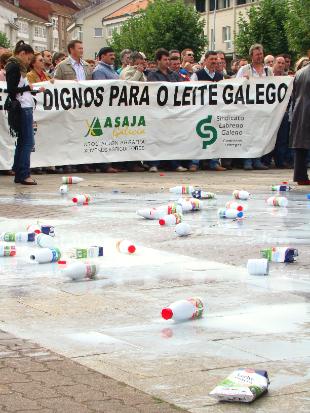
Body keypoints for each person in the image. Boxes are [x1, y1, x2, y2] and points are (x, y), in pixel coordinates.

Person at [5, 40, 44, 185]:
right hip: (22, 108)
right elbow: (12, 90)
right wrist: (28, 88)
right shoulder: (14, 66)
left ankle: (19, 171)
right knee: (27, 141)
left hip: (24, 106)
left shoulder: (17, 66)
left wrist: (31, 90)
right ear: (22, 54)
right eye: (28, 58)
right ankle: (23, 174)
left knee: (24, 141)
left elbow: (17, 89)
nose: (29, 62)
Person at [54, 40, 92, 173]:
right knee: (68, 135)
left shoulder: (87, 66)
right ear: (71, 49)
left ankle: (81, 162)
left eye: (82, 48)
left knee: (82, 134)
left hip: (84, 105)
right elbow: (55, 83)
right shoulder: (62, 66)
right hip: (69, 105)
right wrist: (69, 83)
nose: (82, 50)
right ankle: (67, 163)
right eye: (79, 48)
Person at [147, 48, 187, 173]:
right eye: (165, 59)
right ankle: (154, 163)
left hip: (172, 111)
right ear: (158, 61)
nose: (168, 62)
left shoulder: (174, 75)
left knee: (173, 137)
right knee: (157, 138)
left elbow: (181, 89)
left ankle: (175, 163)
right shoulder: (152, 74)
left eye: (169, 59)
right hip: (158, 111)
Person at [237, 43, 272, 170]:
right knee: (248, 134)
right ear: (251, 55)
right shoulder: (244, 69)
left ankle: (257, 159)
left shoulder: (268, 70)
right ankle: (247, 160)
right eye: (257, 54)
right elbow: (235, 86)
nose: (259, 57)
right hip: (248, 107)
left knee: (260, 135)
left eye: (261, 54)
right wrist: (243, 80)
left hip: (263, 108)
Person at [191, 51, 226, 172]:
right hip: (200, 110)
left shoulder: (220, 76)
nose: (214, 62)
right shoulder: (197, 75)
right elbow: (191, 92)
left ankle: (214, 162)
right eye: (211, 59)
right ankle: (194, 162)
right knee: (197, 136)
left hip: (214, 110)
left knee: (215, 136)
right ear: (205, 60)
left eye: (216, 60)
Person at [263, 56, 292, 169]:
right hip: (269, 112)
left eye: (283, 63)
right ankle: (266, 160)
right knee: (269, 136)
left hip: (283, 112)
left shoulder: (287, 79)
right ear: (274, 64)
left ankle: (280, 161)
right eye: (278, 62)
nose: (280, 65)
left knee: (282, 138)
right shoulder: (267, 77)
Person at [290, 62, 310, 184]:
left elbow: (294, 94)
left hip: (300, 109)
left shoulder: (300, 72)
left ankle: (300, 176)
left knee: (300, 145)